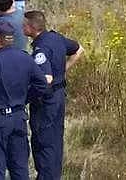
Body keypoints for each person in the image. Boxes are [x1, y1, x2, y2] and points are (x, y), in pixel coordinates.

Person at [0, 21, 49, 180]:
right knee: (19, 168)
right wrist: (25, 99)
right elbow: (42, 85)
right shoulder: (25, 58)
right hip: (19, 120)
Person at [23, 10, 84, 180]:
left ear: (31, 27)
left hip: (46, 101)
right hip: (59, 96)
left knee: (44, 141)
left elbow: (46, 79)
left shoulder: (41, 48)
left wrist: (27, 96)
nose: (21, 27)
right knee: (56, 140)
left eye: (24, 25)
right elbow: (79, 49)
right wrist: (62, 71)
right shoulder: (56, 38)